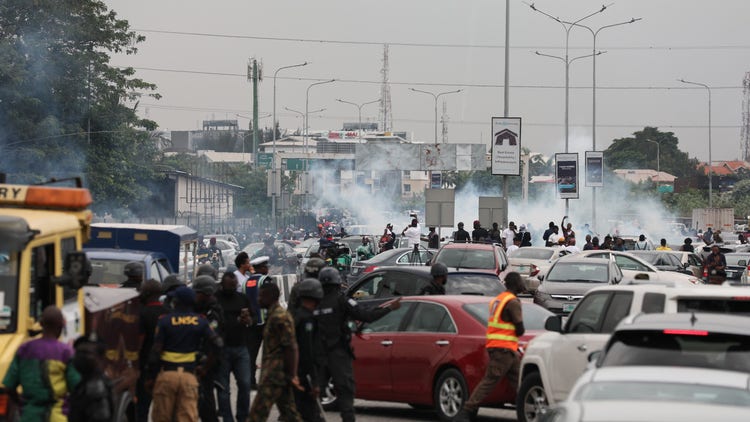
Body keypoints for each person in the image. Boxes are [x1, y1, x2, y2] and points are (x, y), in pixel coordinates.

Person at [316, 267, 401, 422]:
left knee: (314, 397)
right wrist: (389, 308)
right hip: (338, 353)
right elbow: (367, 316)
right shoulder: (342, 301)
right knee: (345, 393)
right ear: (337, 283)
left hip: (318, 356)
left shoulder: (314, 303)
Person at [455, 273, 525, 422]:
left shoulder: (498, 300)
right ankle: (466, 411)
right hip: (503, 349)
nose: (522, 283)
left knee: (520, 383)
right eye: (520, 281)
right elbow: (520, 329)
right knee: (489, 381)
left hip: (503, 348)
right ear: (515, 284)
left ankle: (528, 411)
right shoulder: (512, 302)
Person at [147, 286, 223, 422]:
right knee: (187, 417)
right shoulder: (200, 321)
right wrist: (205, 368)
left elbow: (155, 351)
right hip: (189, 377)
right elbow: (218, 344)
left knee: (162, 417)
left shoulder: (165, 321)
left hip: (167, 376)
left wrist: (151, 377)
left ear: (176, 302)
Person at [3, 306, 80, 422]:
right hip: (57, 417)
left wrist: (22, 405)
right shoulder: (66, 352)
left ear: (40, 324)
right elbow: (77, 388)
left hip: (29, 417)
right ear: (61, 325)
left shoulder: (24, 349)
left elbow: (9, 386)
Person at [248, 283, 303, 422]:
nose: (258, 299)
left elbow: (291, 347)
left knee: (257, 414)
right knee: (290, 415)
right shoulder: (272, 315)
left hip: (274, 374)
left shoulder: (280, 317)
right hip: (277, 373)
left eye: (261, 296)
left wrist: (292, 374)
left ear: (270, 297)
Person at [216, 272, 253, 422]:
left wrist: (248, 319)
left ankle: (243, 416)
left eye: (234, 286)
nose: (232, 288)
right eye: (229, 286)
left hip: (240, 347)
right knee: (223, 389)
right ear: (222, 285)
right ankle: (227, 418)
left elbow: (253, 318)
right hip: (222, 349)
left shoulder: (242, 298)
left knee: (245, 384)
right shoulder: (216, 299)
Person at [291, 279, 326, 422]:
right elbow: (307, 351)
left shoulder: (295, 316)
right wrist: (315, 381)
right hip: (305, 375)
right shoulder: (307, 320)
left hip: (295, 373)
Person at [136, 280, 169, 421]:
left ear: (147, 294)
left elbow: (139, 341)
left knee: (142, 406)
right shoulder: (168, 313)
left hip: (146, 366)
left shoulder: (143, 314)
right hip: (166, 366)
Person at [192, 275, 224, 422]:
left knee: (206, 404)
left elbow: (215, 343)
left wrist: (205, 367)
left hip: (207, 364)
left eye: (197, 293)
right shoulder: (196, 308)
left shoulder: (213, 313)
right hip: (194, 362)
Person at [69, 335, 114, 422]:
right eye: (78, 353)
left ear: (100, 358)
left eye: (86, 353)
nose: (80, 357)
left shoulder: (95, 387)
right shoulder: (84, 384)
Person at [245, 256, 272, 389]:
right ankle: (266, 382)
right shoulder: (265, 280)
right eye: (266, 266)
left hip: (251, 323)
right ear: (261, 268)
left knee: (252, 354)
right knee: (268, 353)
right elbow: (271, 299)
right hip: (265, 322)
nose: (267, 268)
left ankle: (251, 381)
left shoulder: (247, 281)